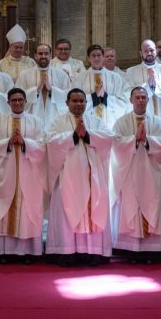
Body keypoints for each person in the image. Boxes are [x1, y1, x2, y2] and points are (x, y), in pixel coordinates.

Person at [46, 89, 113, 265]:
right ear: (67, 103)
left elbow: (108, 138)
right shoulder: (58, 122)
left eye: (82, 101)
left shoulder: (95, 121)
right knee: (67, 212)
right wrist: (74, 136)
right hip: (68, 177)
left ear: (86, 102)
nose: (78, 104)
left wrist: (89, 135)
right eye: (74, 101)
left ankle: (93, 252)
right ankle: (67, 252)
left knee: (93, 211)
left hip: (92, 177)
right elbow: (51, 142)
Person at [111, 86, 161, 262]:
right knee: (129, 206)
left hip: (151, 173)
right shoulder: (121, 122)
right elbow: (115, 143)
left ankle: (150, 250)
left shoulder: (158, 122)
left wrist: (148, 141)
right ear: (131, 100)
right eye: (137, 97)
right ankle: (130, 251)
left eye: (144, 97)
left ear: (148, 100)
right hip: (129, 173)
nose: (140, 100)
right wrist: (133, 140)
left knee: (152, 205)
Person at [0, 88, 47, 262]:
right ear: (8, 103)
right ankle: (3, 252)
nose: (18, 103)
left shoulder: (36, 122)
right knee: (3, 210)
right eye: (14, 100)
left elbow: (43, 145)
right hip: (5, 173)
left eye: (21, 100)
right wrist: (8, 142)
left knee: (27, 211)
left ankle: (26, 252)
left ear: (25, 102)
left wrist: (25, 142)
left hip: (29, 173)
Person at [124, 39, 161, 123]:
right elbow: (127, 93)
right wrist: (148, 86)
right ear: (141, 53)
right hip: (142, 119)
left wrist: (156, 86)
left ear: (156, 51)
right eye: (146, 51)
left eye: (151, 50)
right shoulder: (131, 72)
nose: (149, 53)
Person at [74, 44, 129, 130]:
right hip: (87, 119)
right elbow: (75, 100)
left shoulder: (115, 77)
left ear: (103, 57)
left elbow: (123, 101)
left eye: (99, 55)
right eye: (93, 55)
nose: (96, 58)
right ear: (88, 58)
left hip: (110, 120)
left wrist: (106, 98)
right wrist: (93, 97)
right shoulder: (80, 78)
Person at [16, 44, 70, 130]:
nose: (43, 56)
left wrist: (52, 90)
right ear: (35, 56)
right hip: (32, 115)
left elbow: (68, 97)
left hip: (54, 115)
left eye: (46, 53)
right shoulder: (24, 75)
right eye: (40, 54)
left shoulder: (61, 75)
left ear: (50, 55)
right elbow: (17, 96)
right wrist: (36, 90)